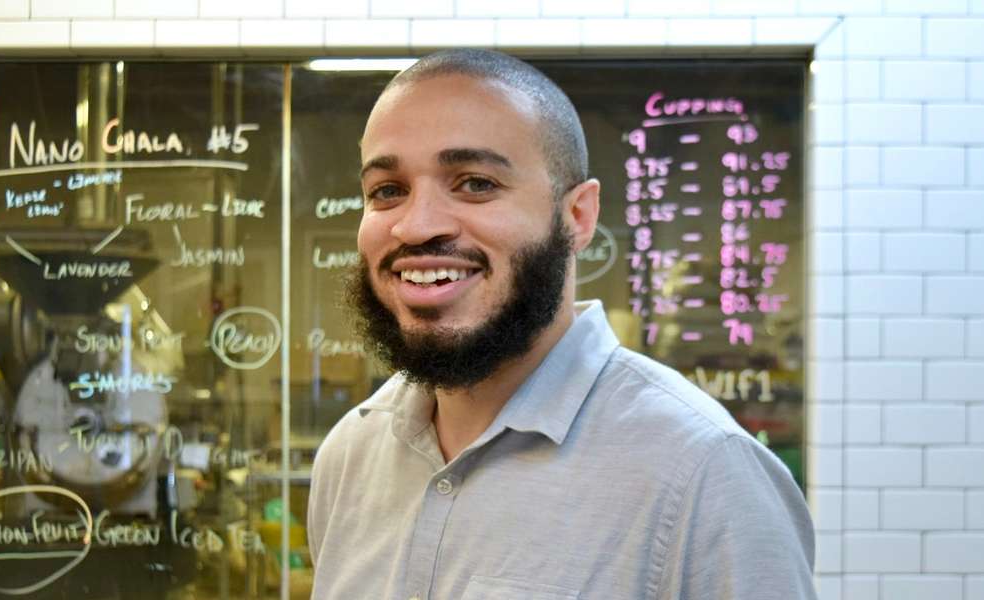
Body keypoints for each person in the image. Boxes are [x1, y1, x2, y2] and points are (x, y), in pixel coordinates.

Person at [307, 49, 815, 600]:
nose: (417, 225)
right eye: (387, 190)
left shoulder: (706, 474)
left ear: (578, 216)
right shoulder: (350, 455)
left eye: (475, 183)